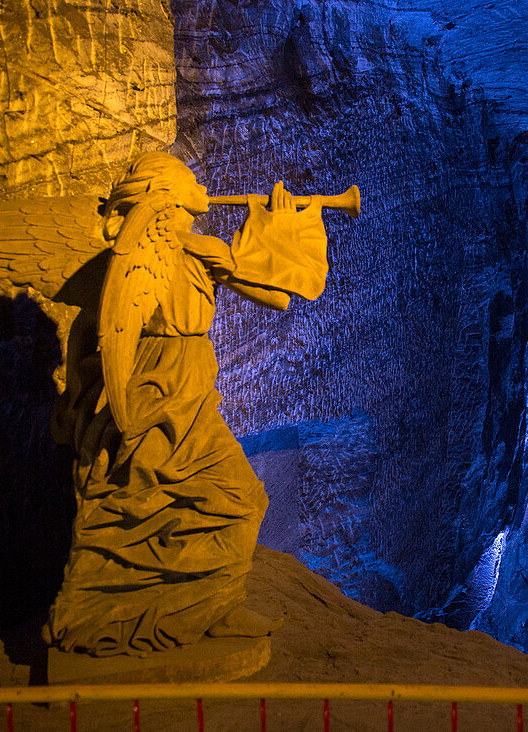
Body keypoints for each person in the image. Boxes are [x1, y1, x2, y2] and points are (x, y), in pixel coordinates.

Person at [44, 153, 329, 656]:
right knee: (218, 498)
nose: (202, 183)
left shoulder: (196, 251)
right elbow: (101, 323)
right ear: (168, 197)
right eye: (189, 180)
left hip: (185, 391)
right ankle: (153, 610)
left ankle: (208, 606)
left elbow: (281, 294)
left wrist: (279, 221)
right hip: (161, 394)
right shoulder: (160, 256)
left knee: (202, 500)